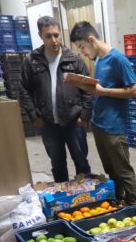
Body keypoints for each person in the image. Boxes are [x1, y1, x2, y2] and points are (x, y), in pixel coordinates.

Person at [68, 21, 136, 206]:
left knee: (123, 170)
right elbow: (99, 90)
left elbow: (134, 91)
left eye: (82, 47)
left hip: (114, 126)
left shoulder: (118, 59)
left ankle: (134, 208)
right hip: (99, 124)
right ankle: (118, 203)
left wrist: (103, 91)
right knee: (111, 170)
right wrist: (83, 85)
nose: (82, 52)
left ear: (91, 39)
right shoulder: (99, 60)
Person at [19, 16, 92, 183]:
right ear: (40, 35)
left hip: (74, 122)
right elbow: (24, 90)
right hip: (48, 124)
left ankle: (86, 200)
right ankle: (64, 200)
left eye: (57, 35)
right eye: (48, 36)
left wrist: (85, 116)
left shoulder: (74, 59)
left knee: (82, 162)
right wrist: (34, 116)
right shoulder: (32, 61)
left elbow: (87, 90)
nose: (54, 40)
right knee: (58, 164)